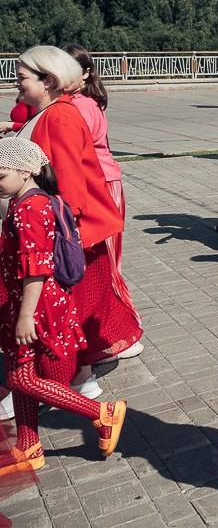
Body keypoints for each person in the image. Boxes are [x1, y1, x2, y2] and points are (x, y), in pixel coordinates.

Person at [14, 46, 142, 392]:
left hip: (67, 239)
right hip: (59, 235)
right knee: (66, 316)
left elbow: (71, 189)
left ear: (49, 81)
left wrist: (48, 239)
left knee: (61, 317)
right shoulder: (48, 113)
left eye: (22, 77)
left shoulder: (60, 116)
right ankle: (72, 381)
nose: (16, 83)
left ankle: (58, 385)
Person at [0, 136, 128, 474]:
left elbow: (36, 268)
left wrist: (25, 316)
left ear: (27, 170)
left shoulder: (29, 207)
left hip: (34, 305)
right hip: (32, 302)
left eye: (0, 175)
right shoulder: (30, 199)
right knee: (23, 372)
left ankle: (103, 414)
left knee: (20, 378)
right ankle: (29, 446)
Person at [63, 45, 142, 353]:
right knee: (99, 265)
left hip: (102, 184)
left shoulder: (81, 105)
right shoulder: (75, 102)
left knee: (106, 264)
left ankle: (122, 333)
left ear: (84, 73)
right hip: (96, 183)